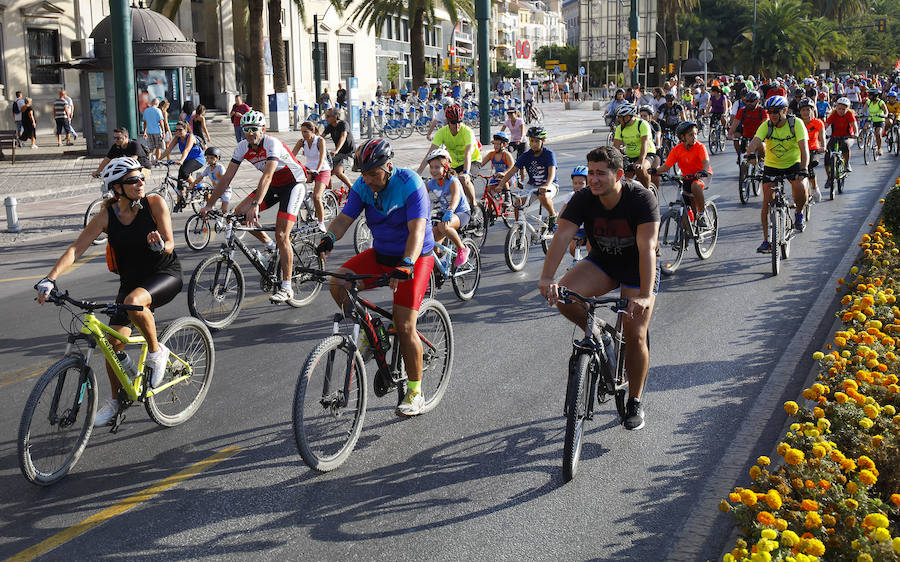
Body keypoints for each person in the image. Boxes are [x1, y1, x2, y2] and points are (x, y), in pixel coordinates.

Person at [36, 157, 182, 426]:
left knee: (134, 302)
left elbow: (171, 242)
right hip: (131, 282)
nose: (140, 183)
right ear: (116, 187)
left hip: (164, 275)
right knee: (113, 347)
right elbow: (75, 249)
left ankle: (155, 351)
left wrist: (161, 246)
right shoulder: (106, 215)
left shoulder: (154, 204)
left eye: (141, 177)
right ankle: (116, 401)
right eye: (132, 180)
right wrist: (49, 278)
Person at [538, 146, 659, 431]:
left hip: (637, 267)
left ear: (618, 175)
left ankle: (635, 401)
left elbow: (648, 248)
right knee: (565, 296)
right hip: (602, 262)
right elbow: (562, 236)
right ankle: (599, 335)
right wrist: (546, 278)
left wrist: (642, 296)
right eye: (590, 173)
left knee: (634, 332)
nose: (593, 179)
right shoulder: (583, 198)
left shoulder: (641, 198)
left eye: (600, 174)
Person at [315, 138, 435, 417]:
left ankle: (416, 392)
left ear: (388, 166)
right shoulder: (362, 187)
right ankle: (374, 333)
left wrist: (406, 263)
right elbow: (346, 218)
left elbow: (417, 230)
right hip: (381, 253)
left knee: (405, 326)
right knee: (338, 282)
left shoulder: (410, 184)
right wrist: (330, 237)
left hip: (415, 258)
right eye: (364, 174)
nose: (367, 179)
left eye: (373, 173)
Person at [200, 110, 309, 304]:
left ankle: (287, 287)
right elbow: (226, 178)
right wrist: (209, 205)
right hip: (273, 185)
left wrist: (256, 204)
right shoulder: (242, 147)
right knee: (239, 213)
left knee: (283, 234)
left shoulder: (271, 143)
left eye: (253, 129)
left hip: (293, 183)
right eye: (245, 129)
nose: (249, 133)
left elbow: (267, 175)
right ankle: (270, 246)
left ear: (263, 129)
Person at [746, 95, 810, 253]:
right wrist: (751, 154)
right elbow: (754, 142)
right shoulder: (766, 125)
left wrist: (803, 169)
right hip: (772, 165)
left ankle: (799, 213)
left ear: (785, 110)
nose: (773, 115)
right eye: (770, 112)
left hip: (792, 164)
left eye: (776, 111)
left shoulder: (796, 123)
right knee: (766, 203)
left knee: (800, 187)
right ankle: (766, 241)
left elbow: (804, 149)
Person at [417, 104, 481, 210]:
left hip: (472, 161)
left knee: (463, 179)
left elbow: (468, 153)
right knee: (443, 180)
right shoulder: (442, 133)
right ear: (447, 121)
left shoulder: (467, 131)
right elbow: (429, 154)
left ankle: (474, 205)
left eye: (459, 122)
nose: (457, 126)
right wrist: (418, 173)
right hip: (455, 163)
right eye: (453, 123)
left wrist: (466, 172)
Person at [495, 126, 558, 228]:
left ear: (543, 141)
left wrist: (546, 186)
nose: (534, 144)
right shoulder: (526, 155)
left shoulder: (549, 154)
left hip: (550, 184)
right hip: (532, 185)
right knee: (517, 204)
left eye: (537, 141)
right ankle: (519, 231)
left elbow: (552, 173)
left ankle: (552, 215)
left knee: (543, 196)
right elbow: (512, 171)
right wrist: (501, 185)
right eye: (532, 141)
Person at [652, 121, 712, 228]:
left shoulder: (700, 147)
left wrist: (703, 170)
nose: (694, 137)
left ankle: (702, 214)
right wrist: (655, 171)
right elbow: (666, 166)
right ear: (682, 137)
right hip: (687, 177)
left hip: (703, 175)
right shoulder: (676, 150)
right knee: (685, 202)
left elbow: (705, 161)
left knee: (695, 186)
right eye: (690, 135)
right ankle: (684, 238)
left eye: (695, 134)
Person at [425, 148, 471, 266]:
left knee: (443, 226)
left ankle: (462, 248)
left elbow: (455, 199)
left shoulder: (453, 181)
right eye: (431, 167)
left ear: (446, 167)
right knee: (432, 244)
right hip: (444, 213)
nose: (433, 170)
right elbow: (418, 194)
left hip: (461, 213)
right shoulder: (432, 183)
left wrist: (450, 210)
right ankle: (440, 268)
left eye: (437, 167)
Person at [292, 121, 332, 232]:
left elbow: (322, 157)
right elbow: (291, 156)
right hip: (309, 169)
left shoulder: (320, 141)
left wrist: (317, 170)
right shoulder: (302, 142)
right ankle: (306, 205)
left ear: (312, 131)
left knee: (317, 196)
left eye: (305, 132)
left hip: (322, 169)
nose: (303, 134)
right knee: (295, 186)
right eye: (302, 132)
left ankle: (321, 223)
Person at [159, 120, 207, 204]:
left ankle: (198, 188)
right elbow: (168, 150)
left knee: (184, 172)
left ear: (186, 130)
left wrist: (181, 160)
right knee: (180, 179)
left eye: (180, 130)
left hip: (198, 159)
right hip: (187, 160)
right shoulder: (177, 138)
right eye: (176, 130)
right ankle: (180, 202)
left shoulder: (190, 137)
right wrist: (158, 159)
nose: (177, 132)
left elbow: (187, 150)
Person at [612, 102, 656, 189]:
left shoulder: (642, 124)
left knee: (640, 169)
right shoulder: (619, 128)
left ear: (627, 117)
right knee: (623, 177)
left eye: (620, 117)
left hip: (647, 154)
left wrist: (640, 160)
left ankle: (648, 192)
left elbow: (645, 143)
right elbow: (615, 147)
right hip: (630, 155)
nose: (618, 119)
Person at [728, 91, 766, 173]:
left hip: (759, 138)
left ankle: (762, 161)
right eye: (747, 101)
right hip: (746, 138)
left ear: (758, 101)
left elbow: (765, 126)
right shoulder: (742, 111)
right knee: (744, 161)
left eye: (751, 101)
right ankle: (744, 180)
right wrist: (730, 134)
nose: (749, 103)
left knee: (761, 145)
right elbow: (735, 124)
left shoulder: (762, 112)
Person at [798, 98, 825, 203]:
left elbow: (822, 136)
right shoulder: (797, 123)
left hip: (813, 149)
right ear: (800, 111)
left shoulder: (818, 122)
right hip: (799, 149)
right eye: (803, 110)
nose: (805, 112)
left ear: (812, 110)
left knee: (809, 167)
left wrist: (823, 146)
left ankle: (814, 187)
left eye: (808, 110)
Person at [187, 147, 231, 213]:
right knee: (206, 195)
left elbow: (224, 180)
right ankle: (212, 209)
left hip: (225, 190)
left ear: (217, 158)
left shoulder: (220, 168)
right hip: (215, 190)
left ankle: (229, 223)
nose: (209, 160)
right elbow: (200, 178)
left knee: (224, 210)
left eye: (212, 158)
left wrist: (219, 188)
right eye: (207, 158)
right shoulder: (208, 169)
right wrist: (192, 185)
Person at [322, 107, 355, 191]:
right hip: (339, 154)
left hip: (349, 154)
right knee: (326, 170)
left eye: (328, 116)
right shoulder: (330, 126)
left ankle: (352, 188)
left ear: (335, 117)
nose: (326, 118)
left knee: (338, 172)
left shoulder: (343, 124)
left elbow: (343, 137)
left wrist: (336, 150)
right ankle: (330, 191)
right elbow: (321, 138)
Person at [824, 97, 858, 178]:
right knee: (827, 153)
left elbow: (854, 125)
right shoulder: (834, 114)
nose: (841, 111)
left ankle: (847, 164)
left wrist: (856, 133)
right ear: (836, 108)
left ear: (847, 109)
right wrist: (822, 133)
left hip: (847, 136)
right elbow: (825, 125)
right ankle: (829, 178)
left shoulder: (849, 115)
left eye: (844, 109)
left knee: (845, 145)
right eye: (839, 109)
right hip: (835, 136)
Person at [864, 88, 888, 156]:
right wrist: (861, 114)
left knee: (878, 133)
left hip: (879, 120)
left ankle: (879, 148)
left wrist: (884, 115)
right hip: (871, 119)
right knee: (865, 127)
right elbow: (863, 110)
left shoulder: (881, 102)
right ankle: (867, 140)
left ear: (875, 96)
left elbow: (886, 112)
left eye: (870, 95)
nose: (869, 97)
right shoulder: (869, 102)